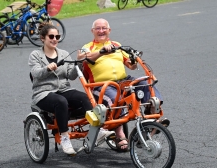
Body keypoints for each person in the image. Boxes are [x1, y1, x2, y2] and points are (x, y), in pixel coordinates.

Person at [77, 18, 170, 151]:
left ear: (109, 30)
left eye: (104, 28)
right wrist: (102, 51)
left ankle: (150, 121)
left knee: (145, 84)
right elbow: (81, 58)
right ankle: (120, 135)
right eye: (98, 28)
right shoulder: (87, 47)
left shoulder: (116, 44)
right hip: (101, 85)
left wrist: (134, 60)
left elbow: (131, 66)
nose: (101, 31)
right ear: (93, 31)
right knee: (117, 99)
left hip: (123, 80)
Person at [28, 23, 112, 155]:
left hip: (63, 89)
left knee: (83, 97)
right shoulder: (36, 55)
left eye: (57, 36)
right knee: (61, 101)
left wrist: (79, 61)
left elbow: (71, 75)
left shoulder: (64, 54)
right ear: (43, 38)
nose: (55, 39)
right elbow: (36, 73)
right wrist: (47, 68)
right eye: (51, 36)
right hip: (43, 93)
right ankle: (65, 138)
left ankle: (98, 130)